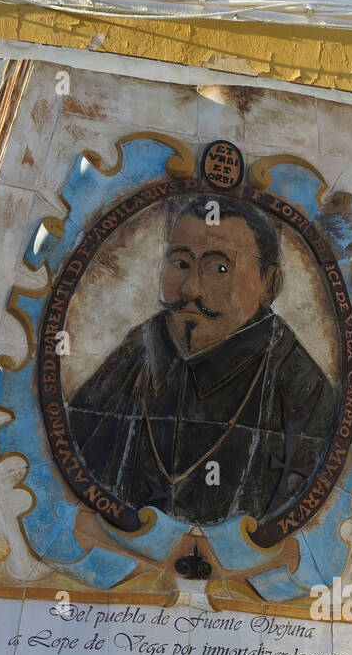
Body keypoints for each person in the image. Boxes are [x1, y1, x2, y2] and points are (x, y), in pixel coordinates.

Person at [66, 194, 337, 525]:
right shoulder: (139, 350)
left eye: (219, 269)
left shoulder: (300, 385)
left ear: (270, 285)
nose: (192, 289)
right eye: (180, 263)